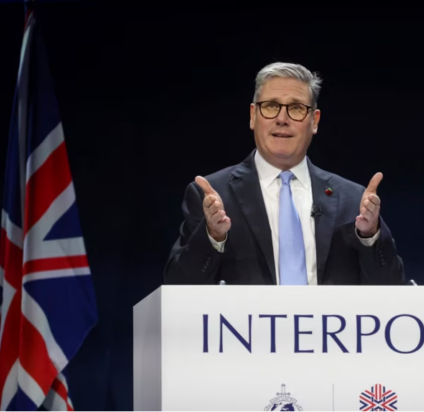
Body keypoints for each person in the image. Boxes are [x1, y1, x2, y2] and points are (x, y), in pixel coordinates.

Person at [163, 62, 404, 285]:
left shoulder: (352, 200)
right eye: (271, 106)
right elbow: (177, 287)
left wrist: (370, 236)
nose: (282, 119)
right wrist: (213, 236)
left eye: (296, 108)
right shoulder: (213, 196)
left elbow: (392, 289)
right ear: (253, 116)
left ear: (315, 121)